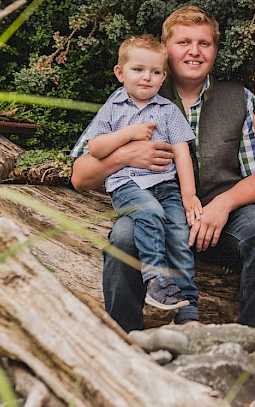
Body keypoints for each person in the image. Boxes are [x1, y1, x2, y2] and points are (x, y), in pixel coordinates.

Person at [71, 6, 255, 330]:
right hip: (156, 212)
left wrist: (222, 206)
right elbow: (81, 175)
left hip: (221, 219)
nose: (194, 51)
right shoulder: (133, 96)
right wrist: (125, 156)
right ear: (166, 49)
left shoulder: (240, 98)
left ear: (215, 50)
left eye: (204, 43)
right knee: (124, 237)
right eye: (183, 42)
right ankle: (125, 340)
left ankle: (252, 338)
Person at [71, 35, 201, 312]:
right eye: (138, 70)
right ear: (120, 73)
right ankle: (155, 280)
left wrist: (189, 194)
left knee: (179, 234)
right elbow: (95, 148)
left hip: (166, 187)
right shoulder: (112, 109)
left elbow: (182, 154)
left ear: (163, 77)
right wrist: (127, 135)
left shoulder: (168, 111)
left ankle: (187, 307)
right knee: (149, 214)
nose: (147, 78)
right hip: (127, 185)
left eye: (155, 72)